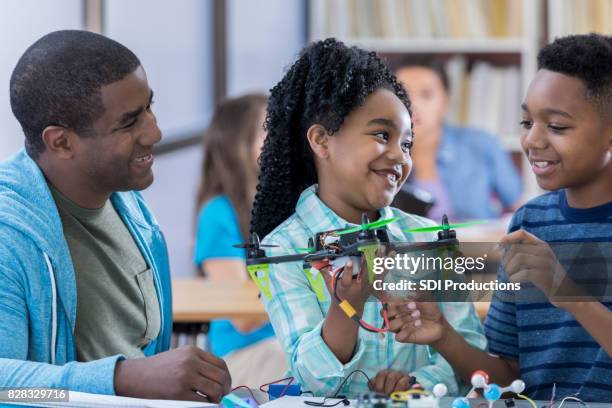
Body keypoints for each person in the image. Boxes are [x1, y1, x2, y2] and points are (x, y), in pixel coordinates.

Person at [0, 30, 230, 402]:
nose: (155, 131)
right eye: (128, 123)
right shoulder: (8, 233)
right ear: (61, 142)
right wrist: (121, 377)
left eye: (149, 108)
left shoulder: (131, 208)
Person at [250, 38, 486, 398]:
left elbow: (470, 354)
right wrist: (347, 304)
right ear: (321, 141)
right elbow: (313, 378)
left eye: (406, 143)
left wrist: (419, 379)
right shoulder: (283, 247)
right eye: (381, 135)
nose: (399, 157)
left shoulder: (429, 239)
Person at [386, 34, 612, 402]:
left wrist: (568, 293)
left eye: (556, 126)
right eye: (526, 122)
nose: (533, 140)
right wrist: (443, 334)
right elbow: (508, 374)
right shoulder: (530, 223)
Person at [194, 93, 286, 388]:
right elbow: (242, 317)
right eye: (266, 129)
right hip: (242, 356)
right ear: (236, 142)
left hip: (285, 346)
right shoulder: (217, 213)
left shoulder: (284, 205)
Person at [395, 59, 522, 221]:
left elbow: (519, 207)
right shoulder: (382, 154)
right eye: (402, 94)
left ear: (445, 101)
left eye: (426, 95)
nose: (413, 104)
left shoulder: (481, 144)